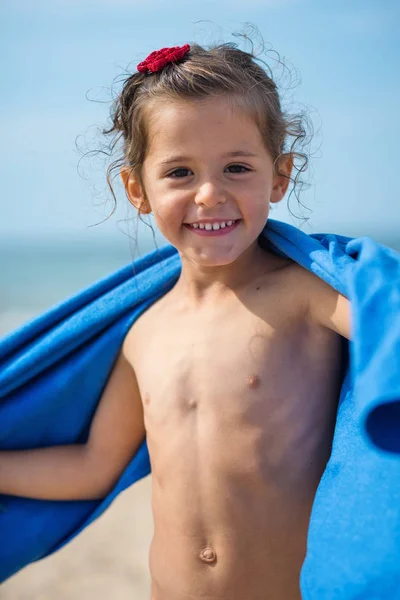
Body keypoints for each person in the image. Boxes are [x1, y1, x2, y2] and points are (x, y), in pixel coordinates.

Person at [0, 41, 352, 599]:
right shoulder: (145, 332)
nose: (210, 194)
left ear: (280, 176)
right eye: (180, 172)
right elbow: (94, 466)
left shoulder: (306, 298)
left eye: (237, 167)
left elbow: (389, 332)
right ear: (137, 189)